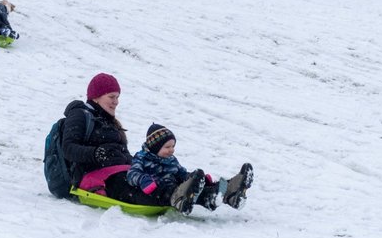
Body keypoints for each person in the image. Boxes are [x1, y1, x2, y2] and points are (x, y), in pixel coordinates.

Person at [125, 124, 254, 214]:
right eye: (167, 147)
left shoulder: (171, 159)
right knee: (180, 191)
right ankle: (194, 198)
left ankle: (230, 193)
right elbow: (132, 173)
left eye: (173, 146)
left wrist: (198, 180)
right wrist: (143, 179)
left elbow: (182, 173)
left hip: (178, 189)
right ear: (154, 147)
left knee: (195, 190)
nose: (172, 150)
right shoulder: (142, 158)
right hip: (159, 190)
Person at [60, 73, 133, 201]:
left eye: (117, 97)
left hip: (117, 172)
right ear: (95, 98)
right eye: (111, 97)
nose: (116, 102)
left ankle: (174, 191)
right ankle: (171, 197)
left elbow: (122, 153)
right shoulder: (79, 115)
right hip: (92, 177)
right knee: (132, 186)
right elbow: (68, 148)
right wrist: (97, 154)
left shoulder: (111, 122)